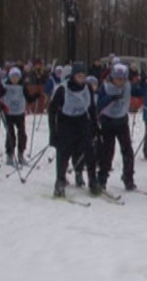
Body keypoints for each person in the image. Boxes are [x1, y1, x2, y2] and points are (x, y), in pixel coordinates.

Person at [48, 63, 100, 197]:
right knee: (64, 152)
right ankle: (60, 181)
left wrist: (95, 127)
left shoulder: (87, 87)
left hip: (82, 121)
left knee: (89, 151)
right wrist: (53, 133)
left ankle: (92, 180)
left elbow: (92, 109)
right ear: (73, 76)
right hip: (66, 122)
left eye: (83, 76)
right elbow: (52, 111)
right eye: (79, 76)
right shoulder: (62, 89)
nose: (81, 79)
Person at [96, 64, 138, 191]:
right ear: (112, 77)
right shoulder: (105, 86)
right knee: (107, 151)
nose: (120, 82)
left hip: (122, 120)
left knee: (127, 150)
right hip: (107, 121)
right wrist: (110, 98)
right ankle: (102, 178)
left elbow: (140, 91)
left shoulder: (127, 86)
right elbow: (99, 104)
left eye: (123, 79)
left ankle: (128, 177)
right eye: (118, 79)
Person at [0, 67, 39, 165]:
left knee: (22, 134)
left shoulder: (22, 86)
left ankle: (20, 153)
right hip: (8, 113)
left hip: (19, 113)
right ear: (9, 77)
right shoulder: (5, 86)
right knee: (10, 134)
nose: (14, 79)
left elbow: (28, 98)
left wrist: (35, 96)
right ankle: (10, 154)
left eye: (16, 77)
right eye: (12, 77)